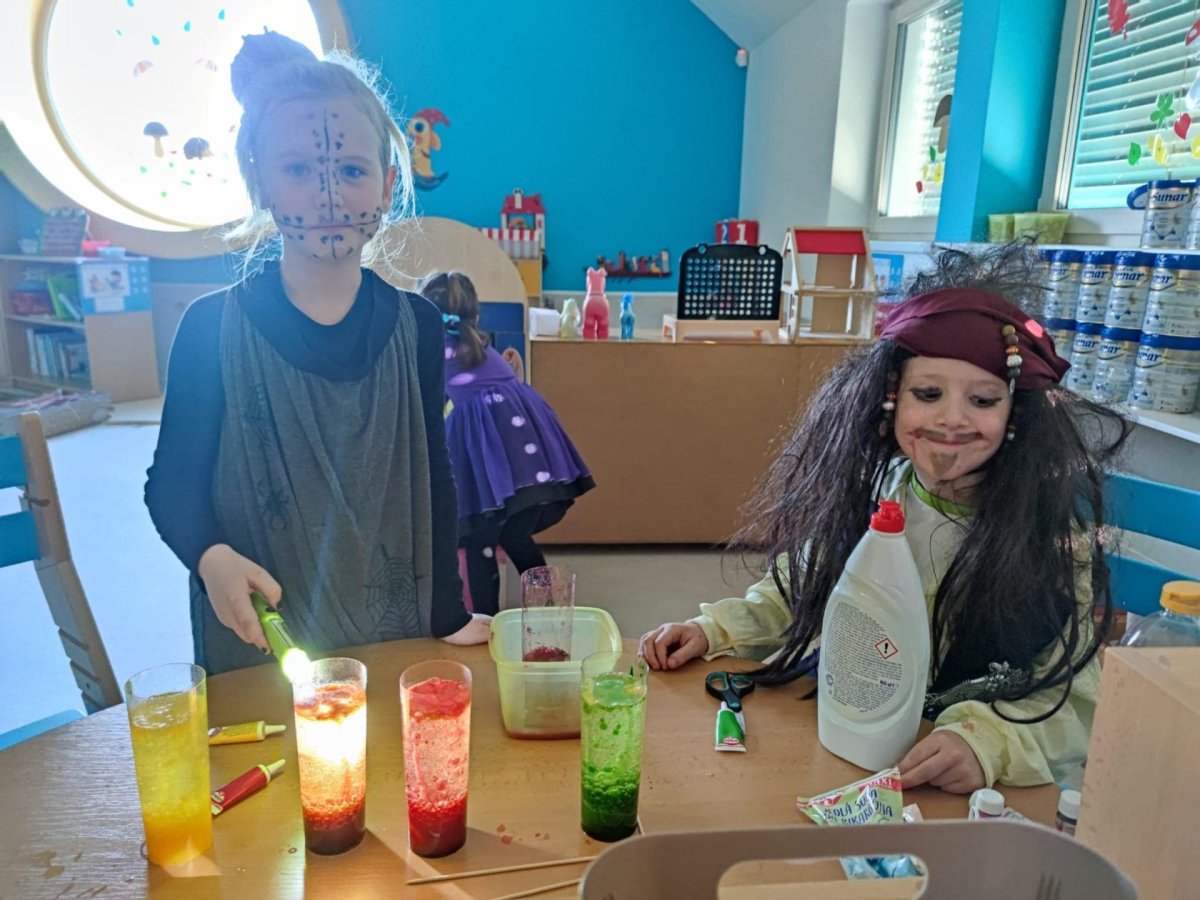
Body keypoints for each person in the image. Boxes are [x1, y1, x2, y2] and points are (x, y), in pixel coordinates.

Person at [639, 244, 1131, 793]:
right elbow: (797, 592)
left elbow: (1074, 699)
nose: (951, 419)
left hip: (968, 792)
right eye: (928, 393)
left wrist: (988, 743)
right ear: (891, 396)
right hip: (849, 752)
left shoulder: (1052, 540)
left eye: (983, 401)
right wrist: (714, 630)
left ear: (1015, 412)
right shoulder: (872, 496)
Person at [144, 31, 489, 674]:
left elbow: (433, 476)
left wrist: (449, 610)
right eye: (299, 170)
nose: (328, 195)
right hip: (264, 646)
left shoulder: (416, 325)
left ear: (387, 185)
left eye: (352, 170)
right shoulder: (209, 328)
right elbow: (172, 485)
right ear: (260, 182)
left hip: (395, 634)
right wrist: (211, 558)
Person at [418, 271, 595, 615]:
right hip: (530, 462)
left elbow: (430, 411)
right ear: (475, 315)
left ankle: (487, 620)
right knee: (514, 535)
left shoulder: (439, 353)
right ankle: (548, 610)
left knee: (477, 540)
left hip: (500, 471)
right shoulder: (482, 348)